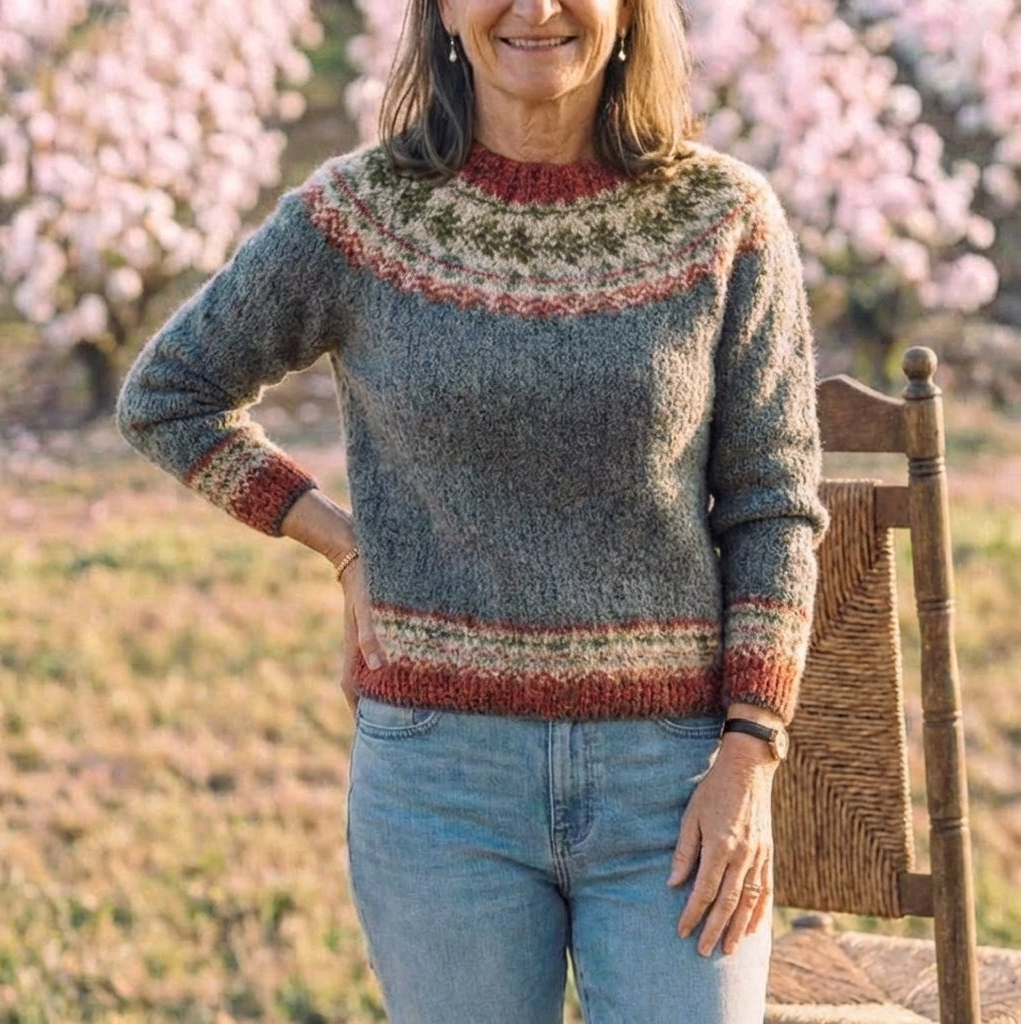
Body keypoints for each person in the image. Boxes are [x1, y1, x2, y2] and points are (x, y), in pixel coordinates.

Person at [117, 0, 828, 1020]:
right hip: (441, 783)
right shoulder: (359, 218)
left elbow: (772, 502)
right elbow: (170, 395)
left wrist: (749, 752)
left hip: (673, 782)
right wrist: (343, 545)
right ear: (442, 11)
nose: (534, 9)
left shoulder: (722, 219)